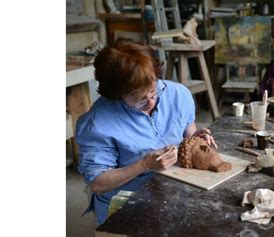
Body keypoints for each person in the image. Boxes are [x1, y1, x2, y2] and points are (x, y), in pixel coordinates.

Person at [75, 39, 217, 225]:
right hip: (127, 200)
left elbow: (188, 135)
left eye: (153, 90)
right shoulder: (98, 123)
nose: (151, 102)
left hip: (175, 186)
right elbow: (98, 183)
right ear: (116, 95)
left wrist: (196, 140)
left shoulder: (176, 93)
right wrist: (143, 165)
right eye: (138, 99)